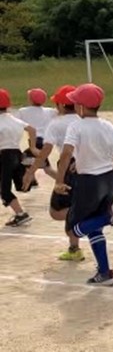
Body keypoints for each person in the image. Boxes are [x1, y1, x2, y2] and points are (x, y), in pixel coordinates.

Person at [54, 83, 113, 286]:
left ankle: (111, 218)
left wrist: (59, 181)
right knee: (92, 228)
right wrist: (85, 161)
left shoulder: (76, 126)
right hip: (110, 179)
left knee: (73, 230)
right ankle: (105, 272)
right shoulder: (110, 127)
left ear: (80, 107)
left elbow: (65, 155)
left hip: (89, 182)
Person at [25, 85, 83, 259]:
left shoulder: (56, 124)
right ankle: (74, 249)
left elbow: (45, 152)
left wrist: (31, 172)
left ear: (61, 105)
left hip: (69, 166)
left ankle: (98, 214)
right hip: (88, 165)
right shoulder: (84, 120)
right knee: (74, 206)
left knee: (57, 211)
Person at [0, 88, 37, 227]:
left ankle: (20, 214)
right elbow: (32, 130)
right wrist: (32, 146)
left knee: (4, 190)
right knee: (15, 186)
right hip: (16, 153)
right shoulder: (13, 119)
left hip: (4, 155)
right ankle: (28, 177)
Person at [16, 87, 57, 187]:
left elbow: (18, 124)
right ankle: (33, 181)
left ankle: (62, 180)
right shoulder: (50, 111)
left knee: (23, 162)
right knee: (39, 164)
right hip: (45, 142)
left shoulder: (23, 111)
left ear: (30, 99)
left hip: (34, 142)